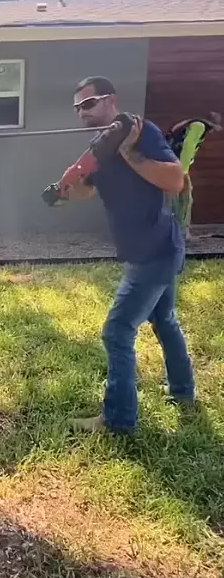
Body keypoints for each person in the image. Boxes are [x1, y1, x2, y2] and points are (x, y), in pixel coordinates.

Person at [63, 76, 195, 433]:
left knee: (117, 331)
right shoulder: (99, 148)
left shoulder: (142, 132)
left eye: (88, 104)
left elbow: (174, 180)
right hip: (150, 248)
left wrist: (130, 153)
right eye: (77, 108)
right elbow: (87, 192)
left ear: (111, 101)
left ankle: (118, 420)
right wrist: (64, 191)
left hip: (153, 249)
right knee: (164, 319)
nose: (82, 113)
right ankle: (182, 392)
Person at [164, 112, 222, 240]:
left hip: (172, 165)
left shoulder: (193, 124)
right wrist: (183, 171)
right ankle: (182, 233)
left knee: (178, 198)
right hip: (177, 167)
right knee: (184, 199)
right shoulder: (199, 126)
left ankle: (179, 232)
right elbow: (188, 146)